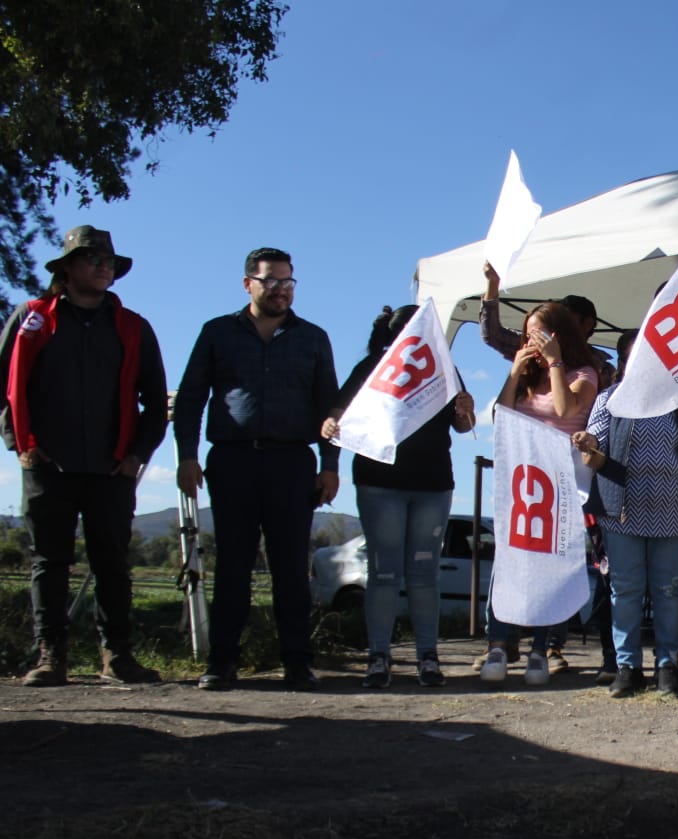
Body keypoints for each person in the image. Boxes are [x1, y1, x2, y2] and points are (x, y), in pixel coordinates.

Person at [0, 226, 168, 686]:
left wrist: (137, 455)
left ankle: (117, 655)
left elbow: (154, 402)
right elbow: (4, 391)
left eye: (108, 262)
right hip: (46, 463)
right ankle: (50, 656)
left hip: (112, 466)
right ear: (67, 268)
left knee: (112, 562)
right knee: (48, 561)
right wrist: (21, 445)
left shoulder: (134, 327)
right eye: (92, 259)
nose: (102, 267)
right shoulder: (31, 319)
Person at [175, 247, 339, 692]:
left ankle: (297, 663)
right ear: (248, 283)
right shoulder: (217, 333)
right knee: (233, 566)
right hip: (232, 461)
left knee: (290, 568)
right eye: (271, 281)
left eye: (288, 282)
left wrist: (330, 466)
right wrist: (186, 456)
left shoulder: (313, 337)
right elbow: (191, 397)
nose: (281, 289)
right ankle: (222, 662)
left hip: (292, 462)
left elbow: (330, 406)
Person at [321, 305, 476, 689]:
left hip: (434, 484)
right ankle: (379, 655)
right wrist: (330, 426)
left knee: (424, 575)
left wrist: (466, 412)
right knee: (385, 572)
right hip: (379, 483)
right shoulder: (373, 367)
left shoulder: (443, 366)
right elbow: (338, 414)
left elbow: (464, 425)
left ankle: (428, 656)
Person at [572, 333, 678, 698]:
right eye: (636, 357)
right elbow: (596, 455)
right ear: (623, 362)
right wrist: (588, 446)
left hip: (673, 510)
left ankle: (668, 665)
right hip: (622, 512)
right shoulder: (609, 400)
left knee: (669, 591)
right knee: (626, 590)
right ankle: (628, 666)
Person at [492, 301, 599, 685]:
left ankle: (541, 649)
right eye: (527, 335)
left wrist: (554, 363)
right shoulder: (524, 376)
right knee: (509, 562)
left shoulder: (584, 373)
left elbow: (563, 407)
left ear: (559, 335)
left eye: (540, 334)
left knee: (548, 570)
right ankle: (497, 646)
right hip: (521, 488)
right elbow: (501, 417)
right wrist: (515, 372)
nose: (532, 342)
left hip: (560, 490)